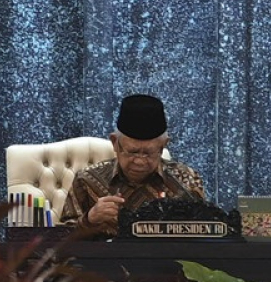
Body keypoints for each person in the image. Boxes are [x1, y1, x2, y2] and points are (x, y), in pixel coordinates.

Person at [59, 93, 206, 238]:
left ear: (163, 146)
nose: (139, 161)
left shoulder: (186, 180)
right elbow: (60, 241)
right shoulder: (87, 180)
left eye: (149, 153)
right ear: (114, 143)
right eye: (132, 152)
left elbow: (207, 236)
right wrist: (89, 220)